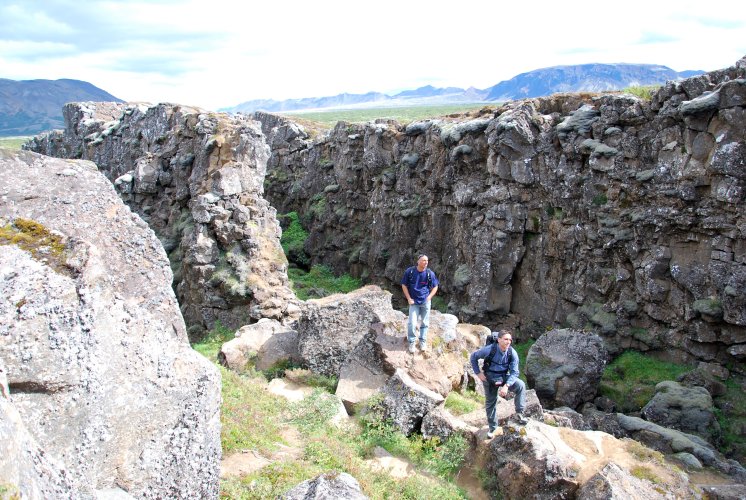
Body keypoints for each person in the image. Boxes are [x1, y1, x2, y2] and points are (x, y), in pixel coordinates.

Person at [470, 329, 527, 437]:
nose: (508, 342)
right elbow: (473, 357)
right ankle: (493, 428)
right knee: (491, 402)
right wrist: (478, 373)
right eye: (505, 339)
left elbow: (515, 372)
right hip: (489, 378)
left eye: (510, 339)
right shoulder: (489, 350)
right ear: (499, 340)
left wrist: (506, 385)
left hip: (504, 376)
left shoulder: (512, 353)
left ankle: (519, 413)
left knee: (520, 385)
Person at [400, 255, 439, 353]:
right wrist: (408, 298)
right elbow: (404, 285)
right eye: (423, 260)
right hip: (414, 302)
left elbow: (435, 286)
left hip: (425, 302)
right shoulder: (410, 272)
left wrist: (429, 297)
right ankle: (412, 342)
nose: (426, 262)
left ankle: (422, 341)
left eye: (427, 261)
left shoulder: (430, 273)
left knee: (425, 323)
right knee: (412, 323)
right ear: (418, 261)